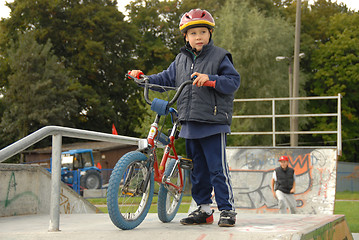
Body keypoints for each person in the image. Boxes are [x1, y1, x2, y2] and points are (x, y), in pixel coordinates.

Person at [129, 9, 240, 227]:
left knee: (217, 169)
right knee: (198, 170)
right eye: (193, 33)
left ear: (210, 34)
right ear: (185, 37)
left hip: (213, 122)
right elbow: (165, 79)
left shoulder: (220, 56)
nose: (198, 37)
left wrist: (210, 79)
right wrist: (145, 79)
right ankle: (204, 209)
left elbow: (232, 82)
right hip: (189, 123)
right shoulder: (180, 60)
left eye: (202, 32)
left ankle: (227, 210)